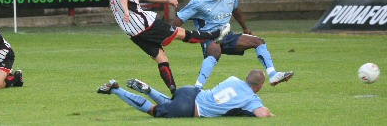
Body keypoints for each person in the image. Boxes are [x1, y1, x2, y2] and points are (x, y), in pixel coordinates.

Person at [109, 0, 230, 94]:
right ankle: (215, 34)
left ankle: (174, 91)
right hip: (145, 24)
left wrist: (167, 0)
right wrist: (126, 11)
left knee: (161, 58)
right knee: (182, 33)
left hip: (133, 33)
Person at [171, 0, 294, 89]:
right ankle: (197, 88)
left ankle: (273, 74)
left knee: (259, 41)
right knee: (215, 53)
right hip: (208, 37)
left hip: (227, 35)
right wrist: (168, 34)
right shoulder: (198, 1)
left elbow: (237, 11)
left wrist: (245, 28)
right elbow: (179, 19)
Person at [97, 70, 275, 118]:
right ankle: (115, 88)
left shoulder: (234, 79)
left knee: (169, 102)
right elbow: (262, 114)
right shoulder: (251, 99)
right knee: (154, 111)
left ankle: (149, 90)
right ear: (259, 86)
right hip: (190, 108)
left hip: (191, 92)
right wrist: (270, 114)